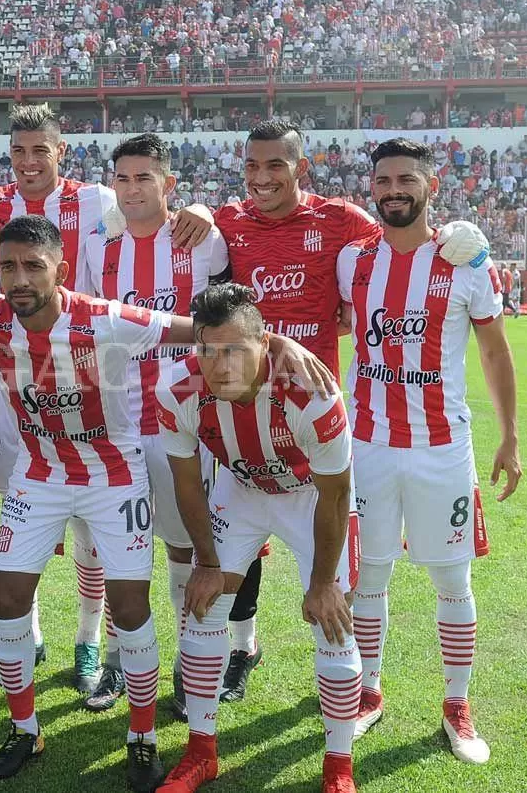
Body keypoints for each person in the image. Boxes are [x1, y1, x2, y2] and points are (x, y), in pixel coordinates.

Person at [0, 214, 330, 792]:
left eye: (33, 267)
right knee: (9, 596)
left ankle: (141, 736)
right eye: (9, 266)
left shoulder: (104, 320)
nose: (20, 278)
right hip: (39, 476)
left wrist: (280, 339)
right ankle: (25, 728)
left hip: (113, 478)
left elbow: (198, 329)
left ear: (60, 271)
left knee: (130, 604)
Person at [211, 120, 488, 704]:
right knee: (232, 543)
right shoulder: (227, 222)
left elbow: (406, 235)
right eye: (252, 168)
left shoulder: (343, 223)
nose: (262, 179)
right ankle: (242, 647)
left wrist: (467, 235)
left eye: (275, 166)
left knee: (346, 564)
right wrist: (185, 207)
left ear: (300, 168)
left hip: (323, 421)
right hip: (240, 409)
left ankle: (373, 692)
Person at [0, 102, 213, 696]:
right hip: (12, 391)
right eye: (17, 150)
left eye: (39, 150)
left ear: (60, 151)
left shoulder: (99, 199)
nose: (27, 162)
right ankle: (34, 632)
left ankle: (90, 637)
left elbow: (153, 217)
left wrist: (197, 208)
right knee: (28, 517)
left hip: (91, 383)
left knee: (94, 530)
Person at [338, 138, 522, 765]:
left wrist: (510, 435)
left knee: (452, 579)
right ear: (373, 188)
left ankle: (456, 704)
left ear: (430, 184)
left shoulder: (467, 262)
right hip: (367, 445)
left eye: (406, 179)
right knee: (370, 576)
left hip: (443, 446)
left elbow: (495, 351)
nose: (394, 189)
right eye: (384, 179)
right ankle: (367, 692)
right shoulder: (352, 261)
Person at [153, 283, 360, 793]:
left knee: (332, 619)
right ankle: (201, 752)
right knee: (201, 609)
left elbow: (336, 496)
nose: (220, 365)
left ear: (264, 345)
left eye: (235, 351)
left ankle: (338, 765)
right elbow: (186, 483)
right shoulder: (176, 390)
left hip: (310, 496)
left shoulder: (311, 393)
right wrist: (205, 561)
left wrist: (320, 582)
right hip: (242, 489)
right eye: (208, 350)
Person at [75, 133, 231, 718]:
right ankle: (119, 661)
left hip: (184, 423)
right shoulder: (99, 245)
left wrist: (208, 209)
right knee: (122, 549)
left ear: (168, 185)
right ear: (112, 186)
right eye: (124, 178)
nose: (133, 187)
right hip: (116, 422)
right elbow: (86, 325)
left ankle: (193, 669)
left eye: (145, 177)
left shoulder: (201, 237)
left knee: (186, 547)